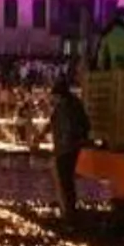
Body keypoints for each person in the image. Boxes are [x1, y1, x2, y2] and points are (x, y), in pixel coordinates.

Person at [45, 77, 90, 223]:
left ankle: (68, 211)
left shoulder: (64, 107)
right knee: (68, 179)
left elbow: (61, 126)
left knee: (65, 180)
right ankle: (70, 209)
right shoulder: (74, 104)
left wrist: (40, 137)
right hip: (72, 147)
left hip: (65, 147)